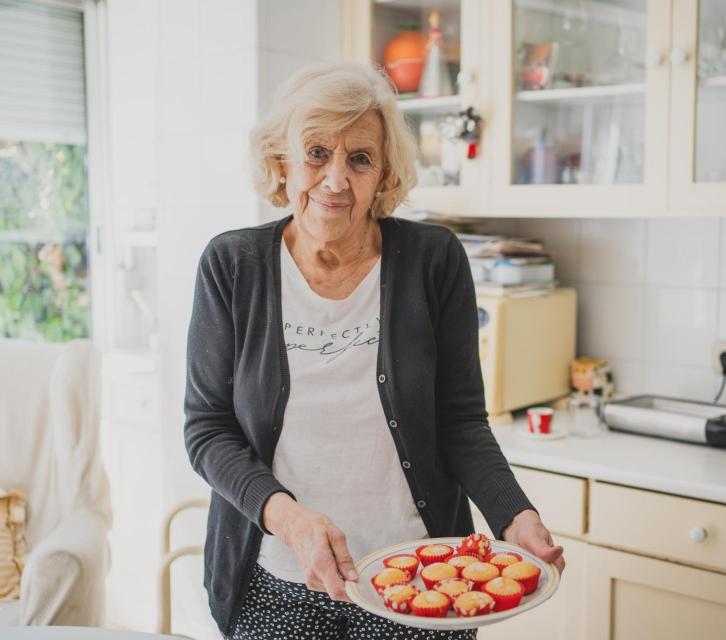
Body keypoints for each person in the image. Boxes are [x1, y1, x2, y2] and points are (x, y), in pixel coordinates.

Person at [184, 60, 565, 640]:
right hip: (278, 582)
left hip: (422, 582)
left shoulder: (433, 261)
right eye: (316, 153)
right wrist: (291, 521)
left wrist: (516, 514)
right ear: (280, 162)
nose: (336, 180)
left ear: (383, 172)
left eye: (359, 158)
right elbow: (208, 429)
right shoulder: (232, 267)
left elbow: (460, 422)